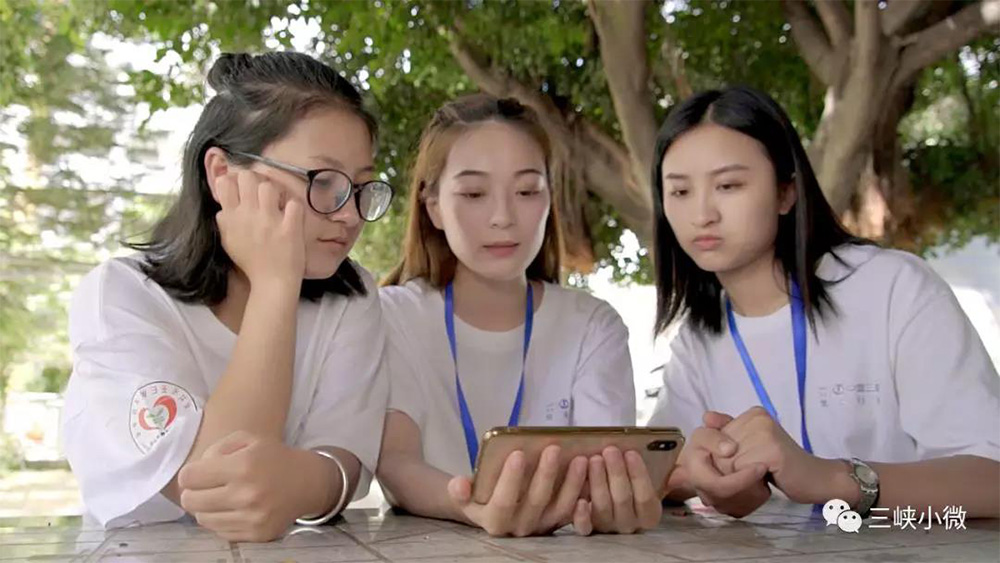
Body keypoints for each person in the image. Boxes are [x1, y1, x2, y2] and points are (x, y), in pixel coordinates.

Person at [62, 51, 394, 541]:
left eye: (362, 187)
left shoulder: (351, 296)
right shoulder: (123, 297)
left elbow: (343, 459)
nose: (349, 214)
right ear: (222, 173)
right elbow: (211, 484)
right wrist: (275, 284)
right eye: (323, 182)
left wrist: (300, 486)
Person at [647, 85, 1000, 519]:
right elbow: (659, 471)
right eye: (680, 192)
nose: (702, 214)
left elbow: (991, 478)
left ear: (786, 192)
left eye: (728, 185)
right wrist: (697, 477)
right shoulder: (697, 341)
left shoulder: (893, 289)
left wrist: (831, 478)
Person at [376, 94, 657, 537]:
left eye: (526, 191)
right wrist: (475, 509)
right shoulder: (396, 315)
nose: (503, 217)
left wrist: (616, 502)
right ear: (433, 206)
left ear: (549, 199)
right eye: (474, 193)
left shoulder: (592, 326)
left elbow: (605, 468)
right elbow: (395, 461)